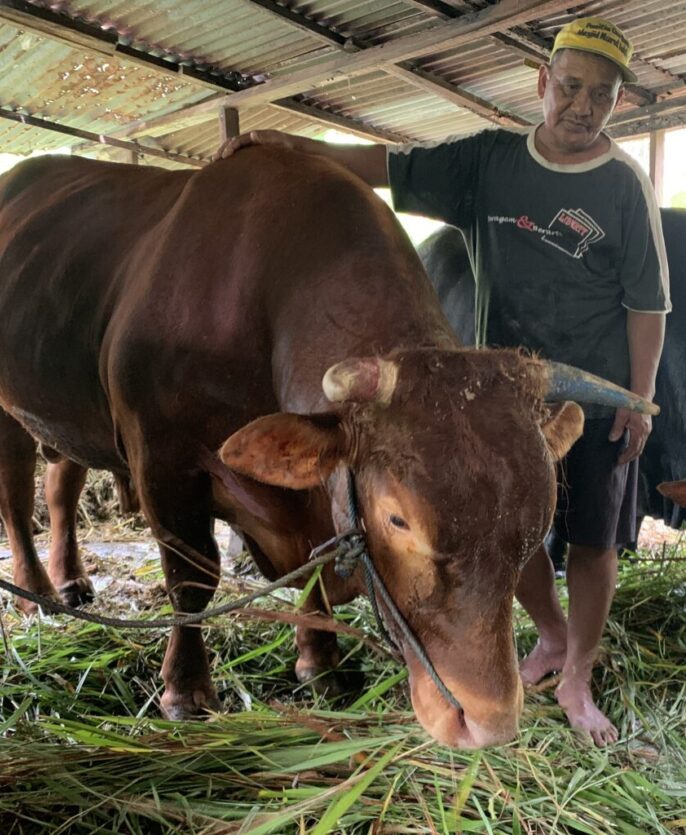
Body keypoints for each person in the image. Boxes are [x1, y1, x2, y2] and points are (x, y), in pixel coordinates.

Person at [216, 16, 670, 746]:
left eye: (605, 94)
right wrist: (290, 146)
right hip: (493, 402)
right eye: (574, 87)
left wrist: (641, 399)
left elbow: (648, 304)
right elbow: (385, 168)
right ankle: (549, 634)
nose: (585, 106)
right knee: (501, 538)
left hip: (591, 390)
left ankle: (578, 675)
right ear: (543, 83)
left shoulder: (623, 185)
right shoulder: (488, 161)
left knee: (593, 542)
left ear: (620, 101)